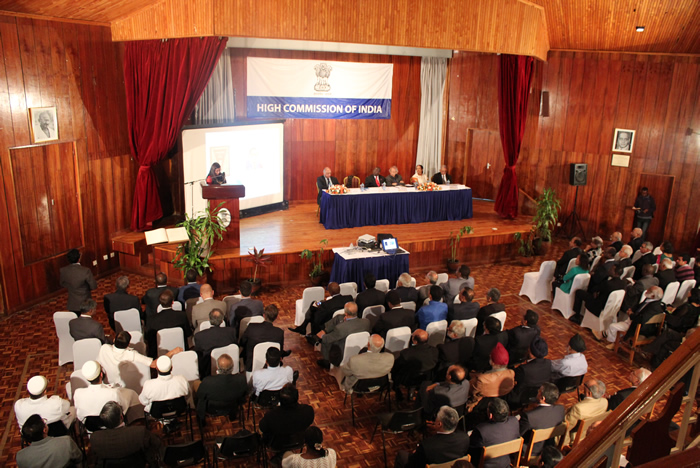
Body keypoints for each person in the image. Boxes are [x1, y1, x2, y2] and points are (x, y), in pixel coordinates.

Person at [97, 330, 182, 386]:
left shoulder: (104, 348)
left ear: (114, 340)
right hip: (126, 386)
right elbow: (154, 364)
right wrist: (172, 352)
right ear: (128, 344)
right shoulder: (131, 354)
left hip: (107, 383)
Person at [90, 401, 161, 467]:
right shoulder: (139, 432)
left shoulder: (95, 438)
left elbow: (96, 460)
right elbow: (157, 443)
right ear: (121, 417)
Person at [395, 406, 469, 468]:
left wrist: (417, 453)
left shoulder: (427, 446)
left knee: (401, 455)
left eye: (436, 418)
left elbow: (413, 465)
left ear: (439, 424)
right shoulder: (465, 438)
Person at [74, 361, 140, 421]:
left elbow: (79, 415)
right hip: (111, 426)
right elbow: (123, 409)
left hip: (89, 428)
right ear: (101, 374)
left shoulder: (78, 393)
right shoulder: (113, 393)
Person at [314, 302, 371, 369]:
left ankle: (327, 361)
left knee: (325, 340)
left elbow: (328, 338)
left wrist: (321, 336)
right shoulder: (366, 322)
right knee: (339, 318)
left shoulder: (340, 328)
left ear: (346, 313)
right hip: (360, 349)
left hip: (341, 352)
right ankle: (326, 329)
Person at [195, 354, 247, 423]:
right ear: (232, 367)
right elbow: (243, 394)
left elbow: (200, 395)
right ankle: (232, 416)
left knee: (197, 387)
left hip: (212, 408)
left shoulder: (207, 381)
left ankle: (201, 419)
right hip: (232, 406)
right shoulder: (241, 379)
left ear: (217, 367)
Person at [16, 414, 82, 468]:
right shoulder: (66, 442)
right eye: (44, 422)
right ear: (44, 430)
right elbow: (79, 458)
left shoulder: (20, 457)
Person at [469, 398, 520, 468]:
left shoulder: (481, 430)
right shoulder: (514, 422)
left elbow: (472, 452)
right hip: (505, 464)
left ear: (491, 415)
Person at [259, 383, 315, 447]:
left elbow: (262, 428)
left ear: (279, 399)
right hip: (298, 441)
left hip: (276, 444)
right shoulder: (308, 411)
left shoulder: (270, 415)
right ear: (297, 397)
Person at [519, 383, 566, 458]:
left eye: (539, 391)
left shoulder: (529, 416)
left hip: (531, 451)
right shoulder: (560, 409)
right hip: (550, 447)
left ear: (543, 398)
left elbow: (518, 434)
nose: (537, 391)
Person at [391, 329, 439, 401]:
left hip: (409, 380)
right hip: (427, 378)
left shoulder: (406, 353)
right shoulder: (434, 351)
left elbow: (396, 367)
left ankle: (397, 391)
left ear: (415, 341)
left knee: (394, 372)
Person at [467, 343, 514, 411]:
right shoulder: (511, 373)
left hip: (480, 405)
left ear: (493, 363)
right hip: (498, 402)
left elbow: (470, 390)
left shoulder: (482, 380)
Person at [145, 289, 191, 357]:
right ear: (173, 302)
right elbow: (188, 333)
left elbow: (148, 339)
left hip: (159, 355)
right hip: (180, 352)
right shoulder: (182, 315)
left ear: (160, 303)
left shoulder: (151, 319)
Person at [192, 308, 237, 377]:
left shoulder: (199, 336)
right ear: (222, 320)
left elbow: (198, 356)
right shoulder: (231, 332)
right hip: (229, 367)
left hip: (208, 372)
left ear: (209, 320)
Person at [240, 304, 286, 371]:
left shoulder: (251, 327)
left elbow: (242, 342)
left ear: (264, 315)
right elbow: (279, 351)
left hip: (251, 365)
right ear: (276, 317)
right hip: (272, 365)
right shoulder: (279, 332)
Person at [564, 378, 608, 445]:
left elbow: (566, 426)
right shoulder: (604, 402)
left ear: (589, 393)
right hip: (589, 434)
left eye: (585, 385)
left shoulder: (578, 409)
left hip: (575, 438)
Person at [59, 248, 97, 313]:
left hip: (72, 304)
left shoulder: (63, 270)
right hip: (85, 304)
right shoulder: (85, 271)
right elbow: (93, 286)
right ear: (79, 258)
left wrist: (72, 287)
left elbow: (62, 283)